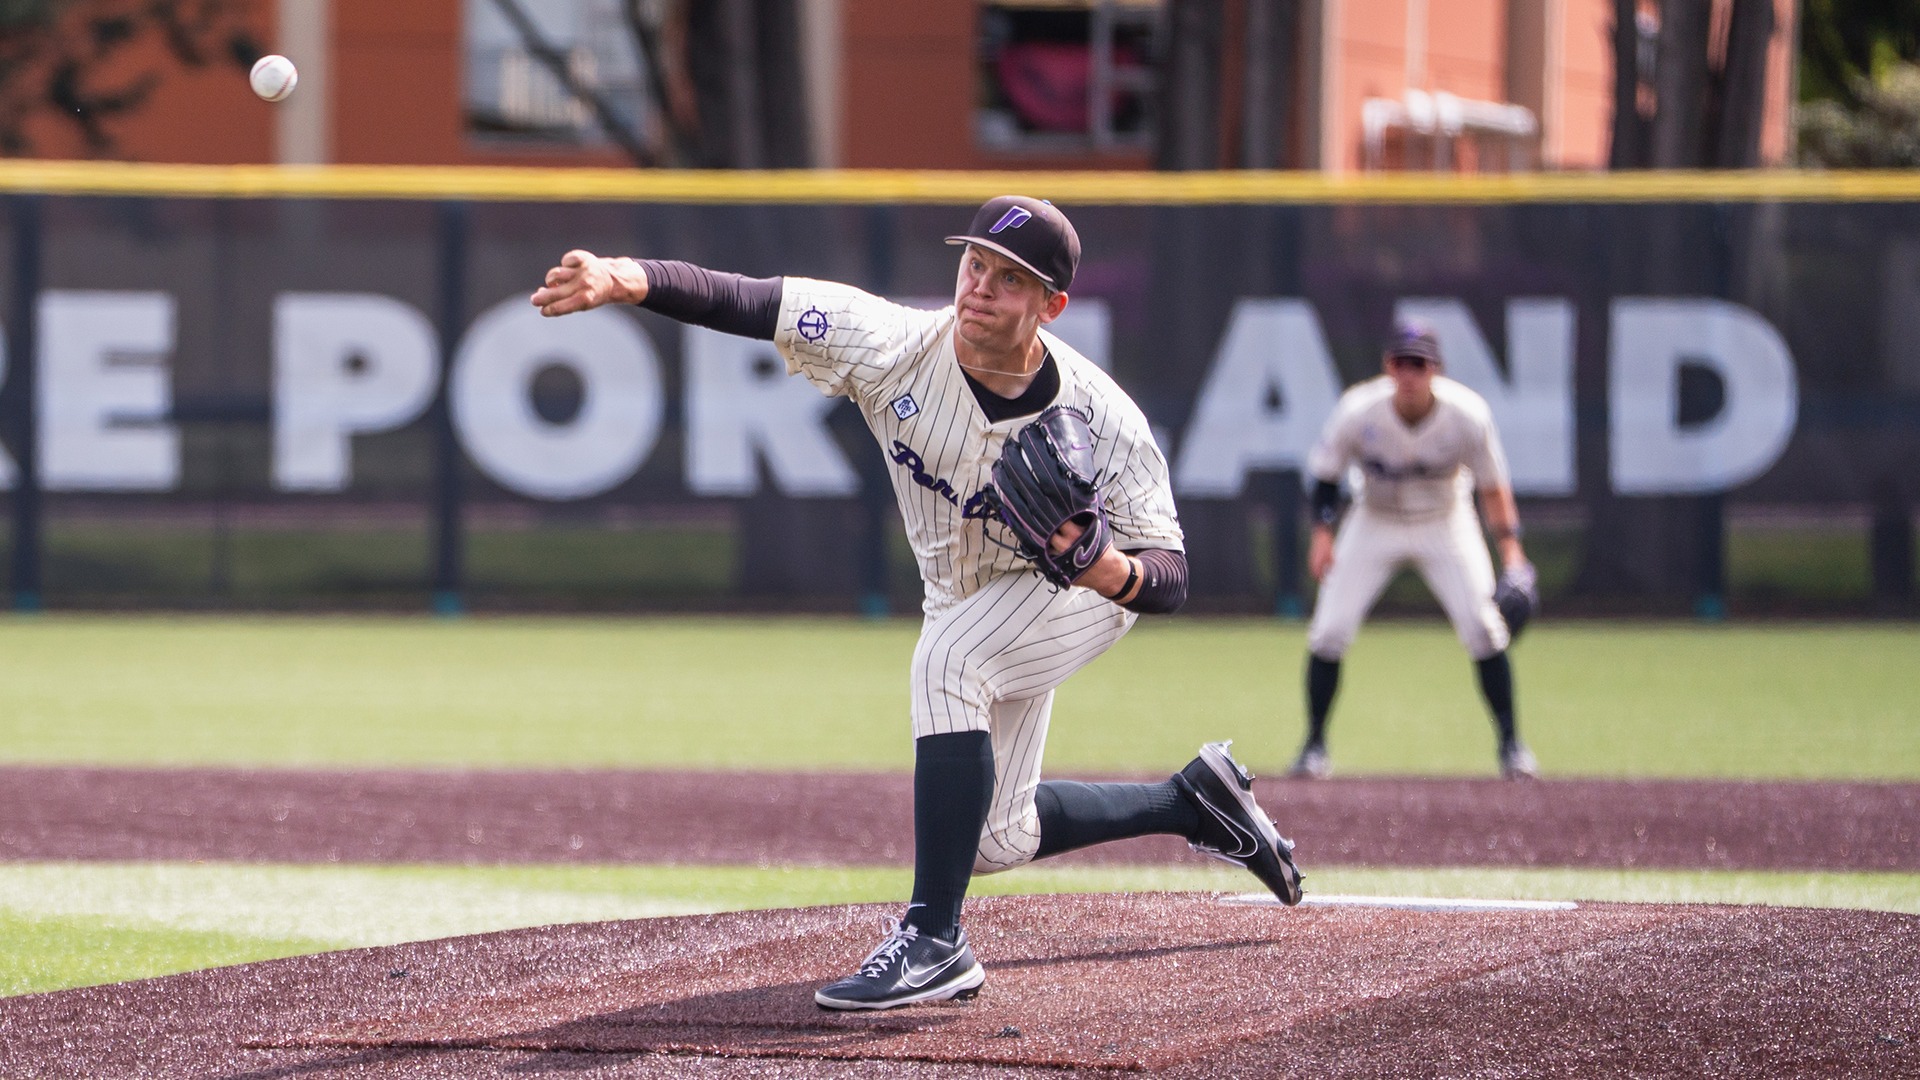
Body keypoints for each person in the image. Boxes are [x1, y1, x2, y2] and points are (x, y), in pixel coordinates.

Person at [530, 195, 1303, 1011]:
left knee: (951, 664)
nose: (979, 288)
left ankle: (935, 939)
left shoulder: (1103, 416)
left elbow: (1171, 574)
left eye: (1010, 280)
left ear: (1051, 305)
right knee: (1000, 837)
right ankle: (1193, 801)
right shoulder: (895, 346)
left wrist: (1103, 566)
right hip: (962, 596)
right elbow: (756, 300)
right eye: (975, 265)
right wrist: (628, 277)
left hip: (1074, 596)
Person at [1290, 323, 1539, 781]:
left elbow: (1493, 488)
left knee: (1485, 630)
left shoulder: (1467, 414)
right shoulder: (1359, 410)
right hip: (1375, 518)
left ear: (1435, 370)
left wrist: (1513, 555)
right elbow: (1325, 476)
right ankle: (1313, 745)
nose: (1409, 374)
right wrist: (1322, 536)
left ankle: (1511, 745)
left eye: (1418, 365)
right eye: (1401, 364)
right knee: (1328, 630)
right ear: (1388, 367)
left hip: (1444, 519)